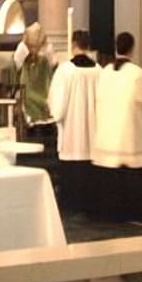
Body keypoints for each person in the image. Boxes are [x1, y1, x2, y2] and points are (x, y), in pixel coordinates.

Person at [91, 32, 142, 222]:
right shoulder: (137, 74)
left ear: (116, 47)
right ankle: (135, 211)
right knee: (132, 174)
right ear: (132, 49)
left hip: (107, 134)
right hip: (130, 134)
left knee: (110, 174)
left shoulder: (104, 72)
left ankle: (109, 210)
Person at [47, 30, 100, 213]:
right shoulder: (99, 70)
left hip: (72, 132)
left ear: (73, 45)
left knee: (72, 167)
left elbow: (58, 106)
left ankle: (71, 204)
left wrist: (55, 115)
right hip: (94, 134)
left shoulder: (65, 70)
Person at [15, 23, 56, 124]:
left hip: (44, 88)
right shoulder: (22, 48)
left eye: (36, 46)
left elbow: (53, 66)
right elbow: (18, 63)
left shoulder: (47, 50)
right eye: (31, 46)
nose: (33, 49)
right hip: (28, 90)